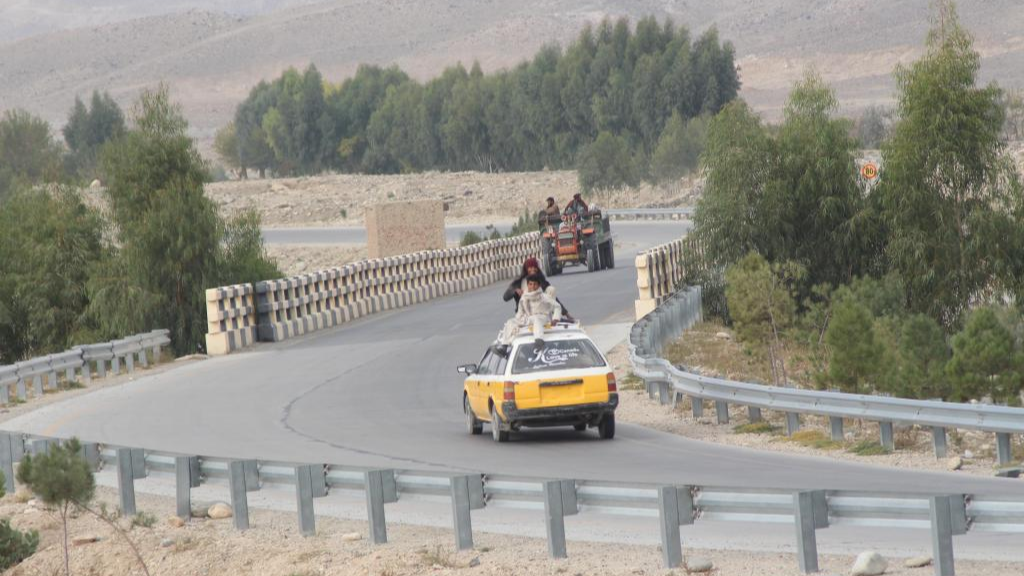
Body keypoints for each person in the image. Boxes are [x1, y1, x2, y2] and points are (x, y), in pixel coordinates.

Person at [497, 274, 561, 349]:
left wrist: (555, 319)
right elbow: (520, 312)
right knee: (510, 322)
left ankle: (539, 340)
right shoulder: (524, 298)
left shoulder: (544, 297)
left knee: (537, 319)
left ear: (539, 285)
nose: (533, 287)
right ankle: (504, 345)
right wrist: (518, 320)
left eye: (535, 284)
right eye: (530, 284)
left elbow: (557, 306)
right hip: (529, 318)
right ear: (527, 285)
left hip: (542, 318)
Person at [503, 257, 573, 320]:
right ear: (526, 269)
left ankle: (553, 317)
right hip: (525, 314)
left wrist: (566, 313)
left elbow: (554, 300)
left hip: (541, 312)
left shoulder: (541, 282)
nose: (532, 269)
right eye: (530, 267)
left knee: (551, 289)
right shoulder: (519, 282)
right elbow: (505, 297)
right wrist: (514, 291)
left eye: (534, 267)